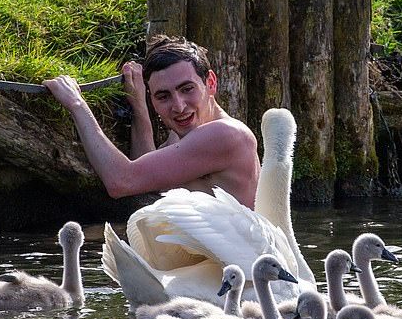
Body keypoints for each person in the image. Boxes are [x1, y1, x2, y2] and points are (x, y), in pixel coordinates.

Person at [43, 35, 260, 209]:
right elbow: (146, 177)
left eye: (187, 89)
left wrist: (77, 104)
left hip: (234, 264)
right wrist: (139, 106)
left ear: (210, 83)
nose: (179, 106)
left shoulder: (225, 135)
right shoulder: (187, 133)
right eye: (163, 96)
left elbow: (122, 181)